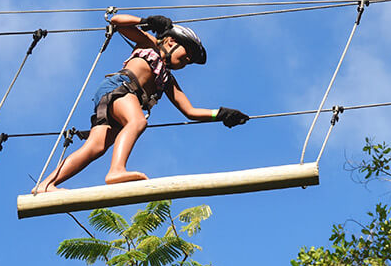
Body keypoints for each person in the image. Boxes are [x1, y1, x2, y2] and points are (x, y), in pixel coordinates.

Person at [34, 12, 249, 192]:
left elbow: (190, 111)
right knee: (137, 122)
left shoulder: (167, 80)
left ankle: (45, 185)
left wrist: (220, 114)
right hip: (120, 89)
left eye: (190, 60)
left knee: (96, 147)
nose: (188, 60)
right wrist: (145, 21)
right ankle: (116, 170)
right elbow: (116, 21)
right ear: (171, 41)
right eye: (187, 54)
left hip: (117, 101)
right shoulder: (150, 44)